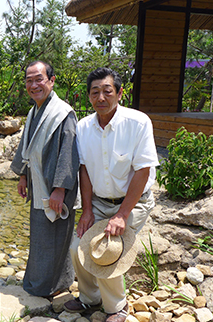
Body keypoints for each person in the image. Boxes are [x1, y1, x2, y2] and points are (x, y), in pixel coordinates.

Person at [64, 67, 159, 322]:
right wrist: (86, 210)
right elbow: (84, 170)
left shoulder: (138, 122)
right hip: (98, 202)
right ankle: (89, 298)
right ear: (89, 96)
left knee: (111, 248)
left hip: (133, 203)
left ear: (119, 93)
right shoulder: (84, 127)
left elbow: (143, 170)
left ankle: (117, 307)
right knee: (77, 248)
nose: (101, 97)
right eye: (95, 92)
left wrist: (122, 214)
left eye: (107, 91)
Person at [11, 61, 79, 298]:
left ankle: (48, 286)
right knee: (42, 235)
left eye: (38, 79)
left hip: (55, 187)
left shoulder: (63, 113)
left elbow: (69, 152)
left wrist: (59, 189)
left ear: (51, 80)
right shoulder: (34, 111)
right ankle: (48, 281)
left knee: (55, 236)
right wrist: (22, 175)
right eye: (29, 80)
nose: (33, 84)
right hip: (39, 182)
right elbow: (26, 146)